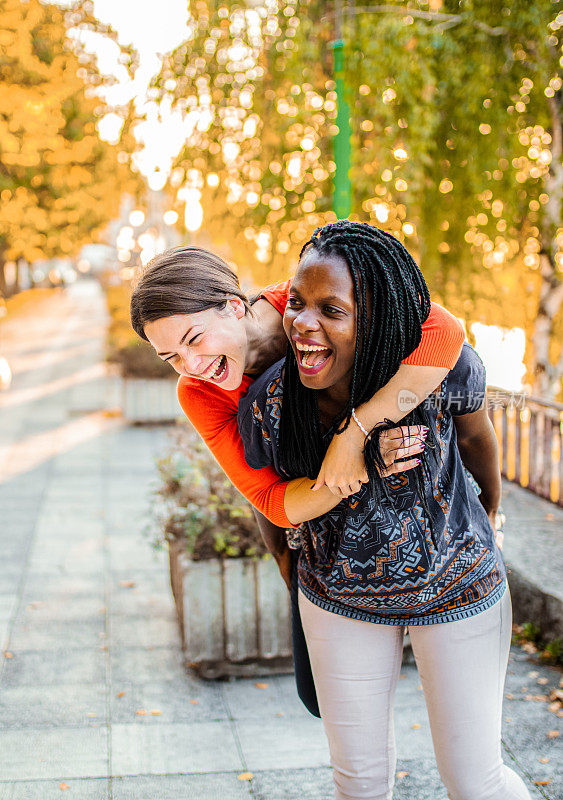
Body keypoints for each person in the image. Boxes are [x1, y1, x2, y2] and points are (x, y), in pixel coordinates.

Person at [238, 221, 530, 800]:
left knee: (476, 782)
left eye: (332, 310)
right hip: (339, 602)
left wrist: (488, 520)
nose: (302, 323)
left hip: (460, 592)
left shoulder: (448, 371)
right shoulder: (270, 400)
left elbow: (478, 443)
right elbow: (268, 502)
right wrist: (288, 570)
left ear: (377, 320)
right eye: (296, 303)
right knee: (360, 784)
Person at [130, 243, 465, 717]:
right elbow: (271, 500)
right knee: (324, 703)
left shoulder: (309, 300)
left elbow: (444, 330)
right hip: (311, 539)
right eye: (172, 357)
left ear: (232, 306)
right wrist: (363, 463)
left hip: (421, 529)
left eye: (194, 340)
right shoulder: (198, 392)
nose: (192, 366)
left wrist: (358, 432)